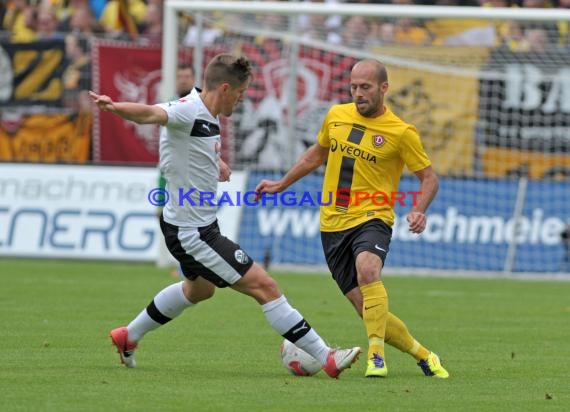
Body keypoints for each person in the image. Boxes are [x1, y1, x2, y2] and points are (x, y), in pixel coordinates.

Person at [88, 53, 361, 378]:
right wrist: (115, 107)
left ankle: (128, 336)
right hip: (194, 233)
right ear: (226, 88)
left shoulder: (206, 113)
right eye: (242, 93)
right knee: (265, 286)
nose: (243, 100)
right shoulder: (187, 109)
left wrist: (213, 164)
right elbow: (151, 114)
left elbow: (183, 149)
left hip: (191, 225)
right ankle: (326, 356)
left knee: (199, 291)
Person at [255, 59, 449, 379]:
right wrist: (281, 184)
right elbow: (315, 155)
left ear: (384, 88)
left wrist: (418, 209)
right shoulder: (336, 115)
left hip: (373, 215)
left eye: (366, 87)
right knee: (366, 308)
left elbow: (429, 178)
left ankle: (376, 356)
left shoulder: (402, 132)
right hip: (332, 224)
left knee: (368, 269)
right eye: (354, 87)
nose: (358, 94)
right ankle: (424, 355)